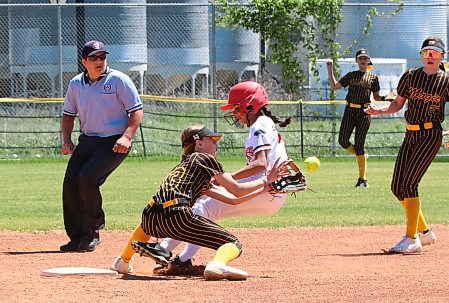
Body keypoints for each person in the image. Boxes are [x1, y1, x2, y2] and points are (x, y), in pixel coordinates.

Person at [110, 125, 289, 280]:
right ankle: (217, 264)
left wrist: (265, 190)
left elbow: (233, 200)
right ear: (199, 143)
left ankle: (123, 261)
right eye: (211, 139)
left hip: (150, 216)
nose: (216, 143)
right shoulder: (204, 159)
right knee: (233, 244)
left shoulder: (186, 166)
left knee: (147, 224)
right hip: (177, 216)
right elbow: (237, 189)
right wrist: (267, 180)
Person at [151, 81, 291, 275]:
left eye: (236, 108)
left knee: (203, 207)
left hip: (266, 190)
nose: (234, 113)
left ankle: (172, 254)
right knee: (202, 205)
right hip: (266, 190)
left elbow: (260, 164)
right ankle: (176, 256)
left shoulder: (260, 125)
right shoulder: (261, 124)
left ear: (250, 105)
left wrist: (227, 178)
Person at [364, 36, 449, 254]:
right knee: (397, 187)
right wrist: (379, 110)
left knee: (409, 185)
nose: (430, 57)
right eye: (426, 53)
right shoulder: (410, 77)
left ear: (442, 56)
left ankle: (412, 239)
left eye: (434, 53)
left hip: (431, 134)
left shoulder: (446, 81)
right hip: (410, 134)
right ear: (421, 56)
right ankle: (425, 232)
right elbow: (398, 104)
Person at [60, 40, 143, 252]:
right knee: (70, 182)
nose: (99, 61)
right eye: (94, 58)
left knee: (87, 178)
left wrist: (127, 137)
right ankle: (77, 236)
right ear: (84, 61)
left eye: (103, 57)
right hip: (88, 140)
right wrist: (66, 139)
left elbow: (136, 111)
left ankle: (92, 231)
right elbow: (68, 115)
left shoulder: (118, 80)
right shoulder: (76, 84)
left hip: (114, 142)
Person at [326, 49, 385, 188]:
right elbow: (334, 87)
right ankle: (362, 156)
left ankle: (362, 179)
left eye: (365, 57)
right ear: (356, 60)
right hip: (350, 111)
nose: (363, 59)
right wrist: (330, 69)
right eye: (360, 57)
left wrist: (386, 98)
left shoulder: (373, 77)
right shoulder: (352, 75)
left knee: (359, 145)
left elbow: (376, 97)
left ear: (368, 60)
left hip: (365, 112)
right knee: (342, 141)